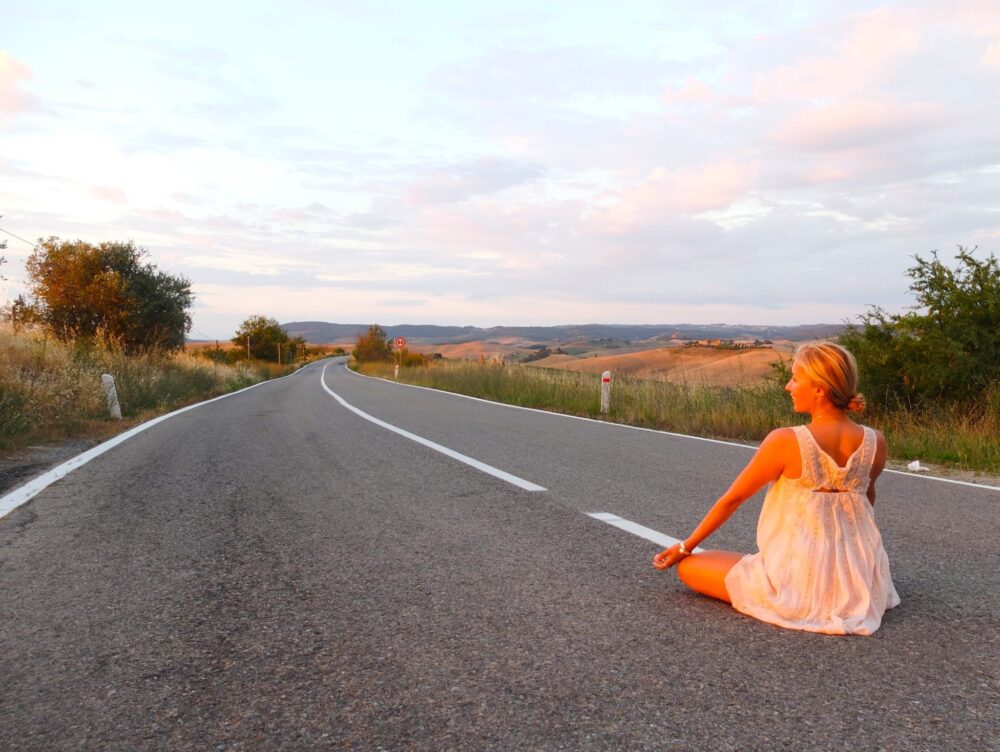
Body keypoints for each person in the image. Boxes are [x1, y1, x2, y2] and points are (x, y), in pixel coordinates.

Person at [653, 341, 900, 635]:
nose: (788, 386)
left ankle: (790, 592)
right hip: (859, 580)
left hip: (796, 579)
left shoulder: (786, 440)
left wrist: (685, 547)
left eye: (795, 378)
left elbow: (733, 499)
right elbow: (866, 503)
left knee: (689, 567)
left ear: (819, 389)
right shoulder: (875, 441)